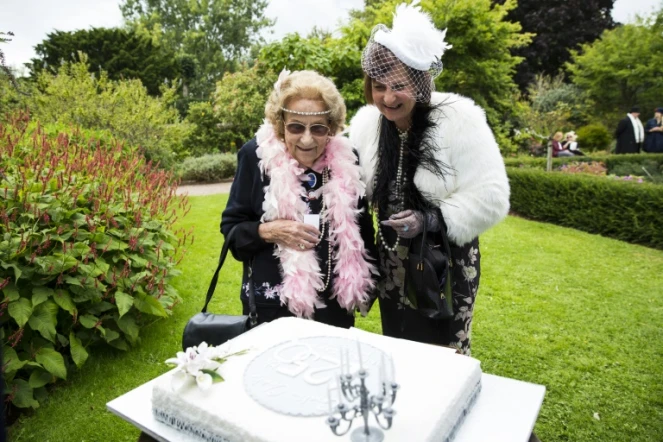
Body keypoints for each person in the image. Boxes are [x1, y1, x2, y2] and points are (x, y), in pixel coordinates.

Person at [348, 3, 509, 355]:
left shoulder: (461, 119)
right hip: (393, 267)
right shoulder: (365, 126)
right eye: (378, 86)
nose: (388, 98)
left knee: (443, 358)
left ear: (420, 82)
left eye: (399, 86)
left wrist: (430, 219)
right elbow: (349, 192)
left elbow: (493, 195)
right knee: (400, 354)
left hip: (444, 265)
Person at [220, 70, 377, 329]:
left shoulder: (348, 160)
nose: (306, 139)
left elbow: (364, 232)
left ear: (332, 128)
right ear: (281, 125)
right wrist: (268, 231)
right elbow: (231, 232)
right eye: (295, 127)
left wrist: (363, 285)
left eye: (318, 128)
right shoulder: (255, 157)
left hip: (334, 308)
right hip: (273, 308)